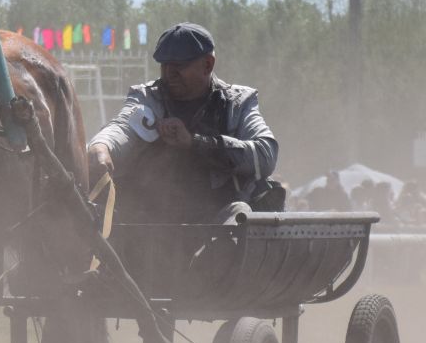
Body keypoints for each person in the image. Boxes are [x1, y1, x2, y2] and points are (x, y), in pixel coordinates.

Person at [85, 22, 280, 225]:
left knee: (239, 213)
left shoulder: (237, 103)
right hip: (150, 224)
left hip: (219, 225)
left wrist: (195, 143)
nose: (169, 73)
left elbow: (266, 154)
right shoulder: (147, 98)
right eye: (165, 65)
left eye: (180, 65)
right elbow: (123, 127)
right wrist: (101, 146)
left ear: (207, 65)